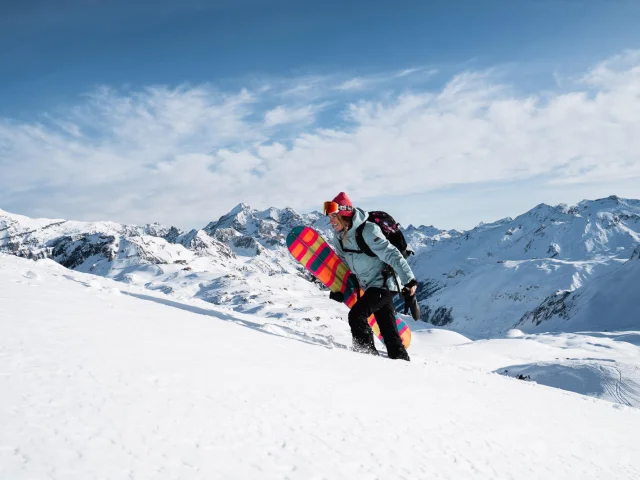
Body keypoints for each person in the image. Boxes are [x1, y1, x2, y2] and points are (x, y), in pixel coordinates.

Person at [323, 192, 417, 361]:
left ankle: (366, 359)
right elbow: (346, 266)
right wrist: (339, 289)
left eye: (333, 217)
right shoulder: (339, 237)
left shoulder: (367, 230)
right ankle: (403, 365)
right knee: (389, 333)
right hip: (369, 285)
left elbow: (392, 255)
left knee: (356, 315)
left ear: (344, 214)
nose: (330, 222)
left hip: (385, 283)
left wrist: (409, 280)